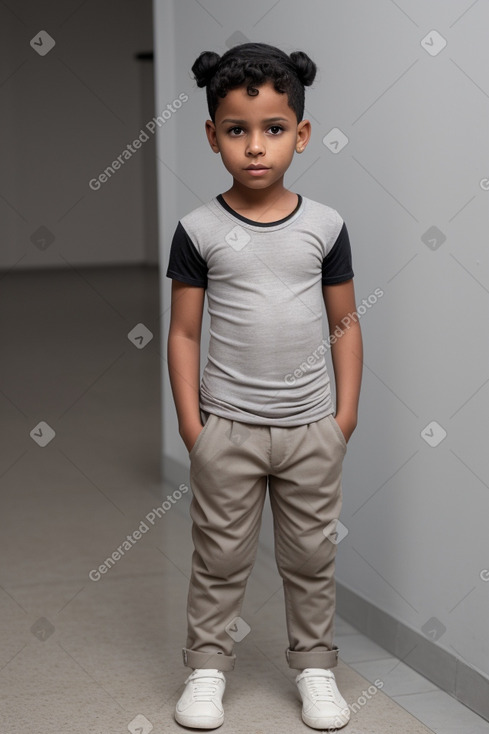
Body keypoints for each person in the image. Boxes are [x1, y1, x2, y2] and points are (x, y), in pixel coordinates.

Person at [166, 42, 363, 730]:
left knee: (310, 559)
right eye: (236, 130)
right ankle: (206, 671)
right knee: (218, 559)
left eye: (273, 129)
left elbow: (345, 322)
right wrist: (195, 430)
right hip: (228, 428)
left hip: (311, 428)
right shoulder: (197, 230)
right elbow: (184, 335)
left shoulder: (325, 226)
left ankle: (314, 669)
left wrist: (343, 417)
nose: (255, 147)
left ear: (300, 135)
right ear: (212, 135)